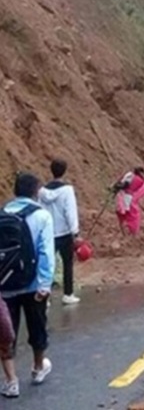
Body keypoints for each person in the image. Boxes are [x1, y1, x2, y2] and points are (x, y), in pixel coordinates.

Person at [1, 173, 55, 398]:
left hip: (5, 285)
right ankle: (38, 367)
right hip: (33, 285)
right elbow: (46, 252)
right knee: (37, 327)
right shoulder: (42, 216)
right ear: (35, 192)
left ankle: (11, 381)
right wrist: (45, 284)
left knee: (6, 333)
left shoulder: (2, 214)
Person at [38, 159, 81, 305]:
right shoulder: (67, 190)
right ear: (64, 171)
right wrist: (75, 232)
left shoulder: (42, 191)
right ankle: (68, 294)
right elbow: (70, 212)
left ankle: (46, 296)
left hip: (48, 233)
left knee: (47, 265)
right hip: (64, 233)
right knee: (67, 264)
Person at [115, 167, 144, 235]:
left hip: (120, 197)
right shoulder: (143, 183)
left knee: (122, 216)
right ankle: (132, 234)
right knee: (135, 217)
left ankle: (124, 233)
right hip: (129, 200)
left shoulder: (129, 175)